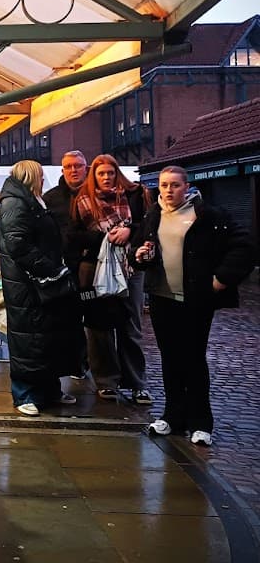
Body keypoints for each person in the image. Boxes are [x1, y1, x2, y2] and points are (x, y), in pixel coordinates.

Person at [131, 166, 254, 446]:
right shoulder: (153, 215)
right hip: (162, 298)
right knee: (170, 359)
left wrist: (221, 279)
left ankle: (201, 422)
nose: (169, 190)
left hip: (195, 300)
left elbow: (245, 246)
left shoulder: (208, 216)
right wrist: (138, 255)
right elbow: (138, 251)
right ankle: (173, 417)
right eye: (164, 185)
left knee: (194, 359)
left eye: (175, 185)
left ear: (186, 186)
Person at [0, 160, 85, 416]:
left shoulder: (29, 200)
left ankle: (48, 391)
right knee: (29, 339)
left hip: (40, 283)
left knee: (44, 338)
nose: (44, 179)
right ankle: (25, 393)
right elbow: (18, 245)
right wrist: (49, 268)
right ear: (32, 176)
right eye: (41, 175)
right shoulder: (16, 202)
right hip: (28, 284)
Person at [70, 153, 152, 404]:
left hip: (131, 268)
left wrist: (130, 231)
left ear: (117, 173)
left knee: (132, 325)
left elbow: (149, 226)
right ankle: (106, 381)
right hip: (93, 270)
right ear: (93, 176)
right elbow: (73, 236)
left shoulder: (136, 195)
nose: (106, 177)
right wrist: (103, 239)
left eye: (110, 172)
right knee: (98, 326)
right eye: (101, 173)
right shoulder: (82, 199)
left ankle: (137, 383)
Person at [43, 150, 89, 377]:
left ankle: (101, 369)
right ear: (62, 170)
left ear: (85, 168)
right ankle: (75, 364)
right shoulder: (51, 198)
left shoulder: (96, 193)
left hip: (94, 266)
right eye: (69, 166)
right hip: (65, 268)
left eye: (78, 166)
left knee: (96, 319)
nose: (73, 170)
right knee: (68, 318)